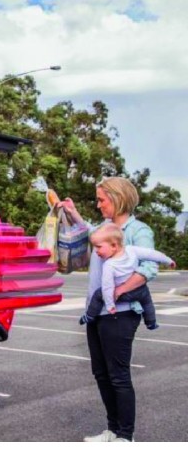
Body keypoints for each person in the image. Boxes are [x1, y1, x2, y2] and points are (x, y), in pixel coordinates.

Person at [60, 176, 160, 443]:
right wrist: (73, 213)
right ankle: (112, 430)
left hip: (121, 313)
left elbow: (149, 268)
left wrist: (119, 290)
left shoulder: (138, 231)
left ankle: (126, 436)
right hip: (96, 312)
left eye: (101, 199)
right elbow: (91, 232)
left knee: (118, 376)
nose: (98, 204)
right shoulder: (105, 228)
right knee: (101, 374)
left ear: (117, 198)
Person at [80, 223, 176, 329]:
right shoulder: (131, 250)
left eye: (98, 247)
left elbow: (107, 287)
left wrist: (110, 305)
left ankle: (89, 316)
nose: (96, 251)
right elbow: (151, 254)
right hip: (139, 290)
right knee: (147, 301)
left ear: (114, 246)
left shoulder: (109, 265)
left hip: (123, 295)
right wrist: (168, 260)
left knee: (98, 294)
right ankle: (151, 322)